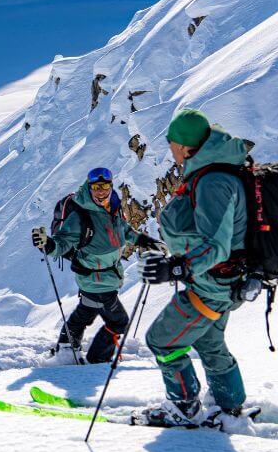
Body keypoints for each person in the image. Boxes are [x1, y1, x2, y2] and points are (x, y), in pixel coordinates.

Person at [137, 108, 252, 428]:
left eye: (173, 143)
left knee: (162, 340)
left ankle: (183, 408)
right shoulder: (214, 171)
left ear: (187, 148)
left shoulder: (214, 181)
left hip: (211, 284)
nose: (170, 149)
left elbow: (216, 245)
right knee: (210, 344)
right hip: (223, 281)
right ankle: (229, 409)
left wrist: (176, 269)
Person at [31, 167, 161, 364]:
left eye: (105, 186)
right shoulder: (80, 216)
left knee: (85, 312)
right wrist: (47, 244)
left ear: (110, 186)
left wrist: (148, 242)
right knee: (119, 321)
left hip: (106, 276)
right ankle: (97, 360)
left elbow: (126, 232)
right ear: (89, 187)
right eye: (96, 187)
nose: (101, 191)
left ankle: (67, 350)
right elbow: (62, 243)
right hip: (97, 280)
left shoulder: (113, 209)